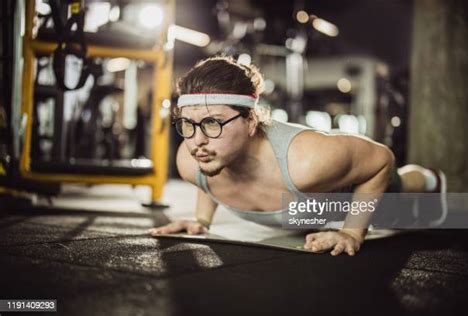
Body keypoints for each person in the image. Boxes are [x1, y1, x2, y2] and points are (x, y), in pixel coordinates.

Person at [148, 56, 447, 256]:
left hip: (343, 200)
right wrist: (202, 219)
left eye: (213, 122)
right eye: (188, 124)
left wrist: (353, 232)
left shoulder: (306, 161)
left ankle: (429, 179)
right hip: (299, 214)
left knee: (397, 201)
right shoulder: (191, 160)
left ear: (251, 121)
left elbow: (381, 159)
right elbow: (210, 168)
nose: (197, 141)